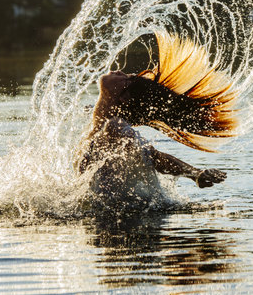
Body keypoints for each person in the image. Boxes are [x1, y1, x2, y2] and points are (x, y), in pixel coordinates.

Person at [73, 30, 238, 210]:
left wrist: (195, 174)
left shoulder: (115, 127)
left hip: (118, 221)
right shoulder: (97, 118)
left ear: (124, 98)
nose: (121, 72)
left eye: (126, 79)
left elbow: (154, 157)